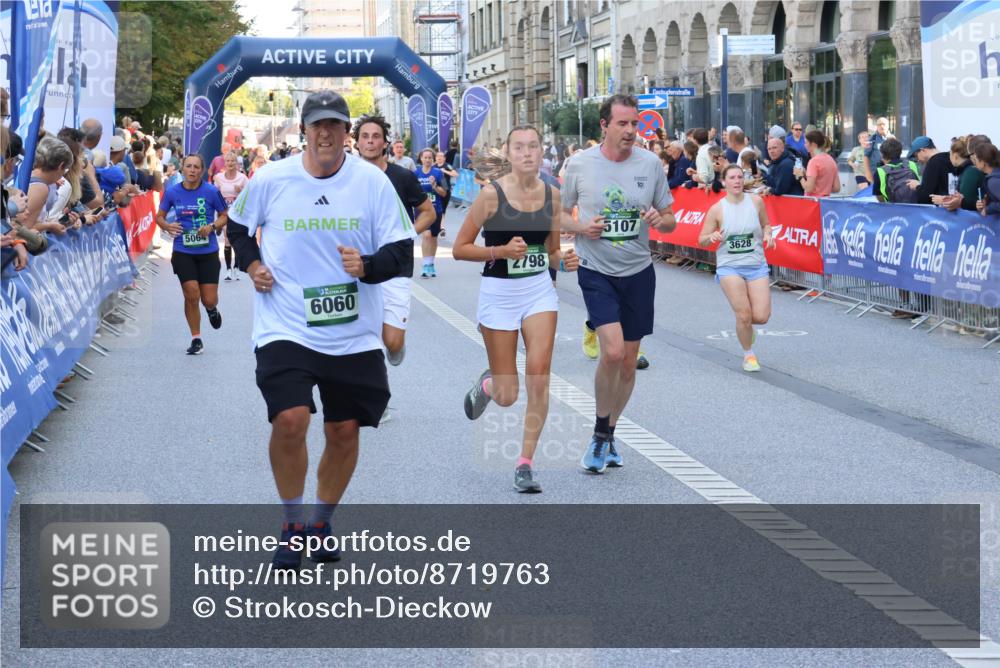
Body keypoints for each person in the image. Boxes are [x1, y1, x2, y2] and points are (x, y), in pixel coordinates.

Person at [226, 91, 415, 571]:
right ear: (304, 130)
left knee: (344, 430)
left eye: (334, 125)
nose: (325, 133)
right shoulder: (272, 178)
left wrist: (367, 265)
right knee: (291, 419)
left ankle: (320, 522)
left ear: (347, 133)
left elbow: (401, 251)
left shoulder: (371, 183)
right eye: (317, 125)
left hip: (352, 331)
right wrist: (252, 265)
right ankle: (293, 524)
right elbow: (238, 228)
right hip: (285, 323)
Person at [454, 125, 579, 492]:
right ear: (508, 154)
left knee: (539, 375)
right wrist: (501, 251)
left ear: (541, 153)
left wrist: (564, 261)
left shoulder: (552, 195)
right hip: (499, 294)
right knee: (508, 395)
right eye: (519, 147)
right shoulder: (490, 196)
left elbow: (551, 252)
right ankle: (491, 384)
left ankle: (525, 464)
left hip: (539, 292)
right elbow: (460, 248)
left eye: (533, 146)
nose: (527, 153)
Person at [559, 94, 677, 474]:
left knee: (628, 362)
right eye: (622, 123)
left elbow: (670, 220)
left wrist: (659, 220)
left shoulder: (650, 163)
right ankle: (598, 433)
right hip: (596, 269)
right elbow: (559, 215)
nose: (630, 130)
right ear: (604, 125)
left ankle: (610, 433)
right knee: (611, 353)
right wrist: (581, 227)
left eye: (634, 123)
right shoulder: (580, 164)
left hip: (638, 272)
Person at [352, 114, 436, 372]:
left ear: (385, 143)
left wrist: (405, 234)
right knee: (362, 336)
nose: (370, 141)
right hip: (358, 263)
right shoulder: (346, 178)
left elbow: (429, 213)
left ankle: (395, 344)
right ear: (357, 142)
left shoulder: (402, 176)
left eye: (376, 136)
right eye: (365, 136)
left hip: (395, 263)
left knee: (392, 341)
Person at [698, 164, 775, 372]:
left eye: (740, 177)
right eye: (732, 177)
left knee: (761, 317)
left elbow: (766, 224)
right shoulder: (717, 209)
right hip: (729, 267)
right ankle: (749, 355)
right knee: (743, 314)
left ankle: (747, 328)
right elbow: (701, 239)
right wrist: (711, 236)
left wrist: (768, 234)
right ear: (724, 182)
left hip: (756, 264)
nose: (737, 181)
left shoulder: (756, 201)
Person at [155, 154, 228, 355]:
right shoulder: (172, 192)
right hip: (183, 250)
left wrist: (212, 226)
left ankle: (211, 309)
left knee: (209, 299)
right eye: (189, 166)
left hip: (208, 251)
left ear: (202, 170)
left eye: (196, 167)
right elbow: (159, 217)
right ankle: (196, 338)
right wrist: (167, 226)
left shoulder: (211, 191)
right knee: (191, 293)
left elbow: (225, 215)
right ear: (183, 169)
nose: (192, 170)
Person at [213, 151, 249, 280]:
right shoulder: (219, 177)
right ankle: (228, 269)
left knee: (236, 240)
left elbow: (250, 194)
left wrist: (241, 191)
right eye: (228, 161)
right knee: (227, 239)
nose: (230, 163)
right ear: (225, 163)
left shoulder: (243, 178)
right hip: (225, 213)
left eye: (233, 161)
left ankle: (236, 268)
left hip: (238, 213)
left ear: (236, 163)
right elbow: (214, 194)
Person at [414, 148, 447, 278]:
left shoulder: (438, 173)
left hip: (436, 209)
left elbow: (444, 193)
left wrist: (434, 186)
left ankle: (431, 263)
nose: (427, 160)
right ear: (421, 159)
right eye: (425, 157)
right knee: (426, 236)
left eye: (429, 158)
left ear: (433, 159)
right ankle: (425, 265)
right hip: (421, 210)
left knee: (433, 237)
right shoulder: (416, 173)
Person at [910, 136, 956, 205]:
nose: (918, 160)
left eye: (916, 156)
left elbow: (925, 197)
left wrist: (917, 186)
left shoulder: (933, 163)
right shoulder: (950, 157)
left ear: (923, 150)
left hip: (941, 209)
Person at [794, 130, 840, 197]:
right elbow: (836, 188)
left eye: (806, 142)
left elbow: (809, 189)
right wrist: (806, 174)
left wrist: (800, 176)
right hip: (825, 201)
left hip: (812, 201)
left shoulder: (813, 161)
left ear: (813, 144)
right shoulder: (831, 160)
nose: (804, 145)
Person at [972, 142, 1000, 217]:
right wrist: (986, 202)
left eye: (975, 159)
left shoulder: (993, 181)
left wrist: (988, 209)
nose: (974, 163)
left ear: (983, 162)